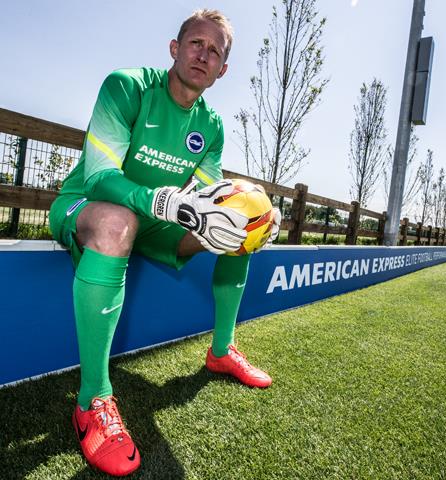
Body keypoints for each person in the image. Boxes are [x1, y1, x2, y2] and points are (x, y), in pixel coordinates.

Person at [48, 9, 279, 476]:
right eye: (196, 43)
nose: (203, 54)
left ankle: (221, 351)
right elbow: (99, 176)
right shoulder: (127, 87)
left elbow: (209, 197)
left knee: (240, 228)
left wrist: (255, 219)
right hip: (89, 205)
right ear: (175, 48)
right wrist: (158, 202)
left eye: (215, 51)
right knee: (118, 224)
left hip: (156, 221)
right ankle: (92, 400)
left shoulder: (211, 125)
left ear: (223, 70)